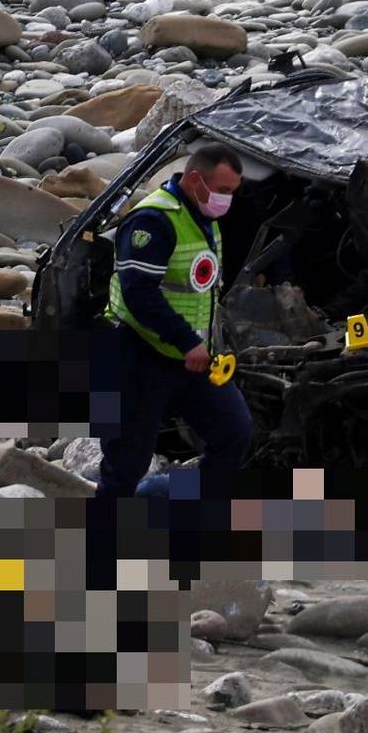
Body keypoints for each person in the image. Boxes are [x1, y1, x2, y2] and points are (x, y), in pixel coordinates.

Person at [96, 143, 253, 497]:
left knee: (234, 430)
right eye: (223, 191)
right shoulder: (152, 220)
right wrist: (187, 341)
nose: (227, 200)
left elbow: (202, 289)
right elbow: (139, 294)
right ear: (196, 179)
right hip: (138, 355)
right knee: (126, 462)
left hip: (190, 359)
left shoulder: (203, 217)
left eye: (232, 192)